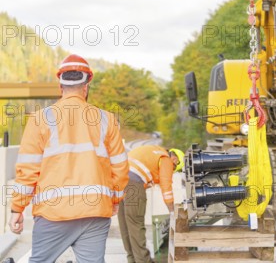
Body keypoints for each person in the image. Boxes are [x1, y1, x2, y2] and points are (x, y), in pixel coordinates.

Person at [9, 54, 129, 263]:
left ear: (60, 86)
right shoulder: (106, 119)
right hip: (95, 211)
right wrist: (115, 199)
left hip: (53, 213)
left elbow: (27, 171)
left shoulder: (40, 119)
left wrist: (17, 208)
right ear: (86, 85)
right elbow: (120, 167)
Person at [118, 145, 184, 263]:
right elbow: (166, 186)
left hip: (118, 181)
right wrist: (172, 211)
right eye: (174, 169)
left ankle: (132, 259)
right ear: (175, 160)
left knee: (126, 225)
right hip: (133, 183)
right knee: (136, 224)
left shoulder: (155, 151)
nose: (172, 171)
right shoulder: (166, 159)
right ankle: (143, 260)